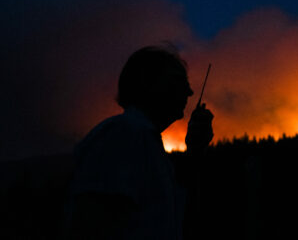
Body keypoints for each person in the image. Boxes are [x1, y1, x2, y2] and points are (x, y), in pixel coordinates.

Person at [64, 45, 214, 239]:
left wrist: (195, 149)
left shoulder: (143, 140)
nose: (190, 92)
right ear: (148, 83)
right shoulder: (124, 134)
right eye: (178, 81)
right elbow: (91, 223)